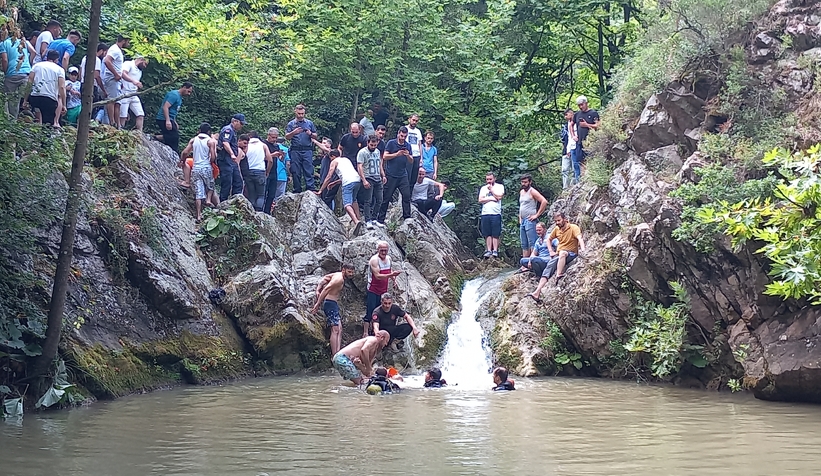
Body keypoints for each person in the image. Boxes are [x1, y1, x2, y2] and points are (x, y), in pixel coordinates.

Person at [528, 212, 586, 303]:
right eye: (556, 221)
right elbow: (549, 239)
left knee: (562, 253)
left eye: (559, 220)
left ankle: (559, 274)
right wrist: (551, 251)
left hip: (571, 253)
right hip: (558, 255)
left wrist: (583, 250)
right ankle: (537, 292)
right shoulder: (556, 229)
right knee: (547, 269)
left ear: (565, 219)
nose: (557, 223)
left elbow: (580, 238)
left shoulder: (573, 227)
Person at [311, 263, 355, 357]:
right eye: (349, 272)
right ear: (343, 270)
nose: (351, 274)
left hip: (333, 304)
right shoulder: (339, 279)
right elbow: (326, 289)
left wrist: (318, 288)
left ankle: (338, 353)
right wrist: (317, 304)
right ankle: (335, 355)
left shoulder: (337, 274)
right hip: (329, 304)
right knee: (335, 329)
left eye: (352, 272)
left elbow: (325, 278)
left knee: (339, 328)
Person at [180, 123, 219, 221]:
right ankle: (208, 199)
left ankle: (198, 215)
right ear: (209, 131)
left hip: (196, 168)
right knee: (210, 186)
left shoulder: (193, 140)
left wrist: (182, 161)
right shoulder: (211, 141)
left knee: (199, 192)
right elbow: (213, 156)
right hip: (206, 167)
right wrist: (210, 161)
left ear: (199, 130)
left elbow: (185, 152)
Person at [363, 241, 401, 338]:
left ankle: (378, 332)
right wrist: (391, 275)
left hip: (383, 290)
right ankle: (365, 332)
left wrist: (394, 279)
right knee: (371, 311)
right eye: (381, 250)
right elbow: (378, 276)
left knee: (382, 311)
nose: (383, 252)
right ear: (378, 250)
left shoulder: (389, 259)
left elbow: (389, 270)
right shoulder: (374, 260)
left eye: (385, 250)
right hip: (373, 289)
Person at [317, 150, 362, 229]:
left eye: (330, 158)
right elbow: (348, 174)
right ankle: (359, 218)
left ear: (332, 156)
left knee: (347, 204)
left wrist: (320, 190)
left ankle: (356, 221)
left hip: (347, 183)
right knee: (354, 200)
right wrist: (335, 183)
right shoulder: (346, 159)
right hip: (357, 180)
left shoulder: (334, 161)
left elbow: (329, 176)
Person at [378, 126, 413, 224]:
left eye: (405, 136)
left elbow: (411, 161)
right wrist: (397, 154)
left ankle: (407, 217)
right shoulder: (391, 143)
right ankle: (380, 219)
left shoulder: (408, 145)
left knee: (406, 196)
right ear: (398, 134)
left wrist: (407, 155)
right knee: (386, 197)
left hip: (402, 174)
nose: (403, 138)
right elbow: (385, 156)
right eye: (401, 136)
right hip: (391, 174)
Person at [23, 49, 64, 127]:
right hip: (49, 99)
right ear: (56, 59)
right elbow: (62, 87)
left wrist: (25, 99)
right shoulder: (59, 69)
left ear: (47, 57)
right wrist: (64, 105)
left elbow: (29, 82)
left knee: (36, 120)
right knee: (48, 123)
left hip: (35, 97)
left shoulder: (36, 66)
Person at [156, 82, 193, 161]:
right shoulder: (174, 95)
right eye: (188, 91)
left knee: (173, 137)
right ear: (184, 87)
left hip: (170, 119)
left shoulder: (179, 97)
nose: (189, 94)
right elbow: (165, 107)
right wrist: (168, 121)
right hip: (163, 118)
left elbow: (173, 111)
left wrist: (174, 121)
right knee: (174, 137)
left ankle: (169, 154)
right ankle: (157, 138)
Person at [285, 104, 318, 192]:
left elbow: (316, 136)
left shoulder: (309, 123)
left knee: (308, 169)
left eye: (302, 113)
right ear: (295, 112)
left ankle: (310, 188)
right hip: (295, 150)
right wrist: (293, 132)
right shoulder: (291, 124)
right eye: (299, 113)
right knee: (295, 171)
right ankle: (297, 189)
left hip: (307, 149)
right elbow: (287, 137)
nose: (301, 115)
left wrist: (310, 134)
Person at [1, 32, 33, 119]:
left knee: (9, 100)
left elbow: (4, 60)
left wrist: (6, 72)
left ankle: (11, 121)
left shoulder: (4, 43)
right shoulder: (24, 42)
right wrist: (28, 64)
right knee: (20, 99)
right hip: (26, 74)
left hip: (12, 74)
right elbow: (33, 52)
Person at [356, 135, 385, 227]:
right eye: (371, 145)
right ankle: (367, 220)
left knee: (380, 199)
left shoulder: (377, 151)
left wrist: (383, 175)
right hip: (368, 177)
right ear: (368, 143)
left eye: (375, 145)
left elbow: (379, 164)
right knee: (368, 200)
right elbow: (359, 166)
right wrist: (364, 180)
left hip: (377, 177)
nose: (373, 147)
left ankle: (374, 218)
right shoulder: (362, 152)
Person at [102, 34, 130, 127]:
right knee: (112, 100)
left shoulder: (118, 50)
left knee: (117, 102)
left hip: (117, 80)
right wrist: (115, 74)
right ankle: (112, 123)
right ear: (123, 41)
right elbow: (107, 61)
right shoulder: (114, 49)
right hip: (112, 78)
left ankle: (118, 125)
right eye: (128, 41)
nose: (128, 44)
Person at [217, 114, 246, 201]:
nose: (242, 126)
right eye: (241, 123)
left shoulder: (233, 131)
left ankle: (236, 202)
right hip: (225, 159)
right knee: (227, 182)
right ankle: (223, 202)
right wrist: (232, 154)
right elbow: (225, 143)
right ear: (235, 121)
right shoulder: (228, 130)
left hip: (231, 161)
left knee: (238, 181)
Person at [518, 174, 548, 259]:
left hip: (530, 220)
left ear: (530, 182)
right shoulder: (521, 192)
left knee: (532, 242)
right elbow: (521, 205)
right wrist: (520, 217)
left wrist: (537, 215)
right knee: (524, 244)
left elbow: (544, 201)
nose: (523, 184)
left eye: (525, 182)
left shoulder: (532, 191)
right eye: (522, 182)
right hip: (523, 220)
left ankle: (532, 261)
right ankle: (525, 263)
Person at [262, 127, 290, 213]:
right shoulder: (263, 144)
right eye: (273, 137)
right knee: (263, 192)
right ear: (268, 135)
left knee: (272, 194)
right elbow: (262, 157)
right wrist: (272, 155)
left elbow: (280, 160)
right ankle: (261, 210)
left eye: (276, 138)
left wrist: (282, 156)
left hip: (274, 171)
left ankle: (267, 211)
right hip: (265, 170)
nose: (274, 139)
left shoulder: (276, 146)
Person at [478, 172, 505, 258]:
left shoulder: (500, 187)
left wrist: (492, 190)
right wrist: (491, 198)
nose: (489, 181)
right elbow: (480, 200)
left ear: (494, 179)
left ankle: (495, 250)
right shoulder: (483, 188)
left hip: (496, 213)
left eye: (490, 179)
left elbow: (499, 197)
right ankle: (489, 250)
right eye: (487, 179)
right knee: (487, 233)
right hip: (485, 213)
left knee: (495, 233)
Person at [244, 131, 271, 211]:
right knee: (261, 195)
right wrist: (267, 171)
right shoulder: (263, 145)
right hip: (260, 171)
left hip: (249, 171)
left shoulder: (246, 146)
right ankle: (259, 212)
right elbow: (270, 160)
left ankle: (251, 212)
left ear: (249, 137)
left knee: (251, 195)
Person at [118, 56, 147, 130]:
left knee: (140, 114)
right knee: (123, 116)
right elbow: (123, 73)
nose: (145, 66)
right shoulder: (128, 64)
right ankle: (120, 131)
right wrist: (133, 81)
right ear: (141, 60)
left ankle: (139, 133)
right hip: (124, 93)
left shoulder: (140, 71)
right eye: (145, 64)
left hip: (134, 94)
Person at [574, 96, 600, 179]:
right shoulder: (577, 114)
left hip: (590, 141)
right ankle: (584, 177)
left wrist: (587, 125)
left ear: (586, 103)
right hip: (579, 142)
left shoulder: (593, 113)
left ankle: (592, 176)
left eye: (582, 104)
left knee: (590, 158)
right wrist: (573, 135)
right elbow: (571, 124)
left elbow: (598, 125)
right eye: (579, 105)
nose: (580, 107)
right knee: (580, 160)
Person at [316, 137, 340, 210]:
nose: (322, 145)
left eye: (324, 143)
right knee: (324, 200)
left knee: (328, 201)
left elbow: (326, 149)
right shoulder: (324, 157)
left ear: (329, 145)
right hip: (323, 181)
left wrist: (313, 140)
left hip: (329, 182)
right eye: (322, 143)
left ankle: (330, 213)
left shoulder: (331, 153)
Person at [561, 108, 578, 188]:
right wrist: (567, 149)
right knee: (564, 170)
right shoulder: (565, 126)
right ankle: (565, 187)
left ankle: (573, 185)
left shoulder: (577, 123)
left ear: (571, 113)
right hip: (566, 150)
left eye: (566, 115)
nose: (565, 117)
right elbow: (564, 139)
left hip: (574, 148)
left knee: (575, 168)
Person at [405, 114, 423, 184]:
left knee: (414, 177)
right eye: (413, 120)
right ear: (409, 119)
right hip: (408, 155)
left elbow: (420, 144)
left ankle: (411, 190)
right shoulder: (405, 129)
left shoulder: (418, 131)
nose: (414, 122)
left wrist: (421, 157)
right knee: (407, 175)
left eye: (416, 121)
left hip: (416, 155)